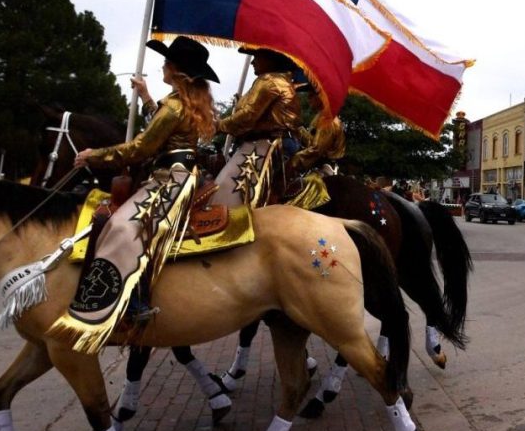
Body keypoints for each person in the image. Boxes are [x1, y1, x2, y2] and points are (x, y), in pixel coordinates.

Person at [64, 35, 219, 337]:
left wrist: (93, 156)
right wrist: (147, 97)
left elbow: (140, 149)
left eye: (166, 62)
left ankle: (136, 302)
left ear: (176, 70)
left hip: (170, 179)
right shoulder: (179, 105)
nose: (162, 66)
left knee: (125, 226)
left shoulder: (174, 107)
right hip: (179, 174)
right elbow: (162, 129)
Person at [213, 46, 302, 208]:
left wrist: (217, 126)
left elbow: (247, 117)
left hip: (263, 144)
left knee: (224, 190)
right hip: (284, 145)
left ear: (271, 60)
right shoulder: (285, 83)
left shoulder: (268, 81)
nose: (253, 62)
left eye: (257, 57)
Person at [289, 84, 345, 176]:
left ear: (321, 96)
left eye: (311, 95)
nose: (308, 98)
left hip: (325, 169)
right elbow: (313, 142)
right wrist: (299, 131)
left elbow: (316, 149)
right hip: (316, 165)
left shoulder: (328, 120)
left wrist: (293, 162)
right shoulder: (321, 116)